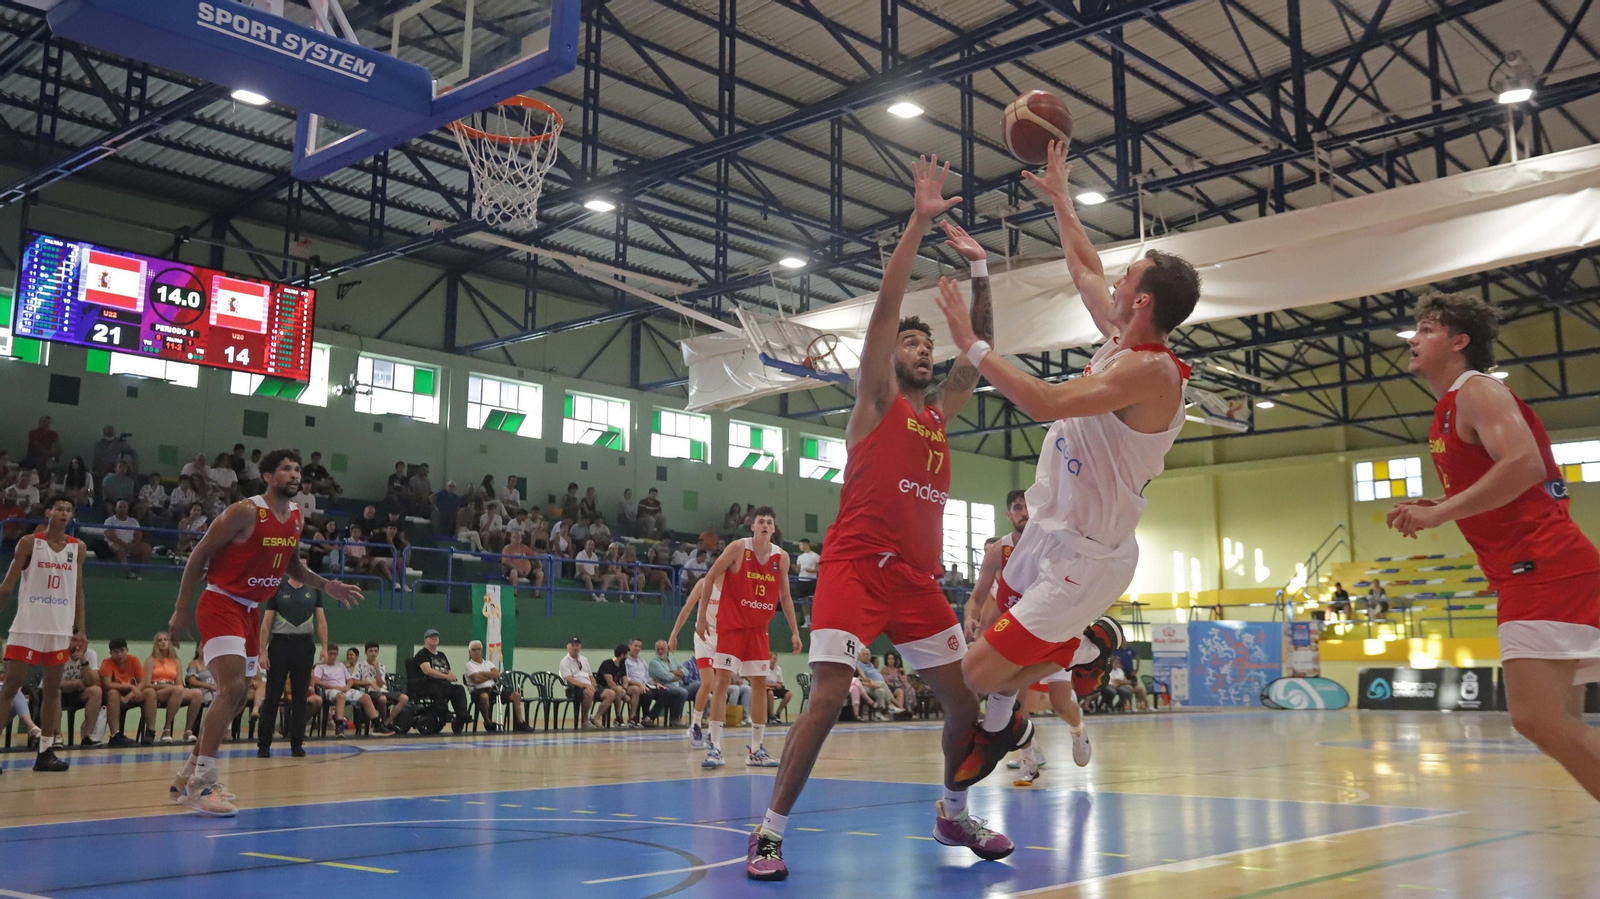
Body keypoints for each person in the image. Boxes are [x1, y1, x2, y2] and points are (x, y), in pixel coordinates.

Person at [749, 156, 1002, 881]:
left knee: (966, 704)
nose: (922, 349)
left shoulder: (937, 416)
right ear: (890, 360)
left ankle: (951, 811)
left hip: (917, 581)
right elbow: (889, 306)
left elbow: (977, 356)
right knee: (828, 696)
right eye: (912, 345)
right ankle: (768, 831)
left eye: (928, 345)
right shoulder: (875, 401)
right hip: (857, 569)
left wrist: (982, 271)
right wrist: (919, 224)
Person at [931, 139, 1198, 788]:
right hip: (1048, 528)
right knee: (992, 647)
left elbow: (1046, 400)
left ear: (1141, 305)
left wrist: (974, 345)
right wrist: (1061, 200)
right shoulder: (1120, 337)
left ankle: (1047, 688)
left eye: (1127, 279)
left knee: (975, 673)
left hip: (1087, 553)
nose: (1113, 282)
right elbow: (1083, 267)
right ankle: (1022, 708)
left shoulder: (1150, 370)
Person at [1388, 290, 1600, 804]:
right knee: (1561, 722)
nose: (1413, 338)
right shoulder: (1449, 408)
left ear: (1459, 342)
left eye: (1427, 330)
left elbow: (1523, 465)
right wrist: (1447, 498)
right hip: (1534, 567)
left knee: (1536, 718)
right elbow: (1506, 477)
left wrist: (1440, 512)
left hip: (1543, 564)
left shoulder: (1477, 391)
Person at [166, 449, 363, 816]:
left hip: (250, 611)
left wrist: (328, 585)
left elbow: (294, 566)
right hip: (221, 601)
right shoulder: (244, 511)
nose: (294, 473)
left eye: (298, 469)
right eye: (286, 469)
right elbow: (199, 555)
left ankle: (188, 774)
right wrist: (180, 609)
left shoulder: (295, 519)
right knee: (234, 688)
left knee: (240, 696)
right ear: (268, 477)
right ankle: (202, 784)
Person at [967, 490, 1093, 782]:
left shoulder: (1054, 541)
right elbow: (978, 594)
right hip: (1021, 633)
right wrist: (970, 617)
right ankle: (1028, 761)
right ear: (1009, 515)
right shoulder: (999, 550)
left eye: (1027, 507)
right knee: (1014, 700)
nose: (1023, 512)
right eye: (1017, 508)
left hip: (1053, 630)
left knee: (1062, 705)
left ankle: (1078, 730)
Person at [696, 507, 801, 770]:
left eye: (769, 522)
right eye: (761, 522)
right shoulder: (737, 549)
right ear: (752, 526)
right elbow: (709, 578)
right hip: (732, 626)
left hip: (758, 630)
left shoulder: (782, 557)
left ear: (773, 529)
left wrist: (795, 630)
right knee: (721, 682)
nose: (765, 525)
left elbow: (785, 597)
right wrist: (700, 618)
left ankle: (756, 749)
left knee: (759, 686)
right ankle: (715, 747)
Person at [0, 492, 84, 772]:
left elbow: (78, 590)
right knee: (10, 687)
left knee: (52, 690)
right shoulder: (29, 543)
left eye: (68, 509)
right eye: (58, 508)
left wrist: (80, 630)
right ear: (48, 513)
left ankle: (46, 752)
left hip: (59, 629)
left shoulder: (78, 548)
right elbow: (8, 584)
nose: (63, 513)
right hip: (28, 625)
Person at [256, 573, 328, 756]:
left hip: (304, 645)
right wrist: (262, 651)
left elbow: (321, 621)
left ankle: (296, 743)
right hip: (280, 644)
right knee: (272, 695)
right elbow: (266, 622)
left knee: (300, 696)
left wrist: (325, 647)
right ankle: (264, 744)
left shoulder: (314, 591)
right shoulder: (278, 589)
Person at [669, 575, 722, 748]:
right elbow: (686, 609)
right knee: (706, 683)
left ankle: (712, 732)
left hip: (723, 638)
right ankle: (696, 725)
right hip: (703, 637)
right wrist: (674, 634)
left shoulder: (734, 585)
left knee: (721, 690)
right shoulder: (704, 583)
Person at [144, 631, 202, 743]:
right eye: (160, 640)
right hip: (158, 690)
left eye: (165, 639)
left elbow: (179, 683)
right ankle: (167, 728)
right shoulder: (151, 660)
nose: (163, 642)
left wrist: (178, 688)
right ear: (156, 644)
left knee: (197, 693)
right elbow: (146, 683)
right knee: (177, 690)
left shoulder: (175, 661)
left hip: (174, 690)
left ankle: (188, 731)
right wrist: (164, 685)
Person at [464, 640, 534, 733]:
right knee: (484, 697)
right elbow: (476, 679)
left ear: (481, 650)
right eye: (474, 650)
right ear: (470, 652)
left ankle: (520, 722)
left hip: (493, 688)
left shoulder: (488, 663)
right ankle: (488, 722)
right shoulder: (469, 665)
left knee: (516, 695)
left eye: (479, 649)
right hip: (478, 690)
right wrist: (490, 675)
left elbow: (497, 674)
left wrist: (482, 674)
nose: (477, 652)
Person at [412, 629, 471, 733]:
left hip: (442, 684)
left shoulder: (441, 655)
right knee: (436, 687)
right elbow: (428, 671)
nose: (435, 639)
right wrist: (445, 677)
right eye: (432, 637)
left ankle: (462, 715)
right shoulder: (422, 654)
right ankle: (444, 713)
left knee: (458, 689)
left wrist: (451, 675)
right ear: (425, 640)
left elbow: (448, 671)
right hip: (426, 684)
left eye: (436, 637)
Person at [99, 637, 148, 747]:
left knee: (150, 692)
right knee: (112, 693)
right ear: (110, 653)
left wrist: (129, 695)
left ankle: (150, 732)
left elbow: (143, 682)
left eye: (122, 651)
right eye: (116, 652)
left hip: (130, 695)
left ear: (127, 650)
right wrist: (131, 687)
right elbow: (107, 684)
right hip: (115, 694)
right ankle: (115, 735)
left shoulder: (134, 660)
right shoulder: (107, 663)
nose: (120, 655)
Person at [352, 642, 406, 732]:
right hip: (368, 690)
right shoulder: (360, 665)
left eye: (376, 651)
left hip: (380, 690)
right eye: (371, 651)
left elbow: (380, 685)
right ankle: (381, 724)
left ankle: (386, 723)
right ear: (366, 652)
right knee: (382, 699)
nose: (373, 653)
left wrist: (377, 670)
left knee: (404, 698)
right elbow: (354, 681)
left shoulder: (381, 666)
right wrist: (368, 682)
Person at [61, 633, 103, 746]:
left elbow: (93, 681)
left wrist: (83, 661)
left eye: (82, 641)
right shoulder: (59, 653)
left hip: (79, 693)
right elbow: (52, 683)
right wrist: (75, 683)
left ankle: (88, 735)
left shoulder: (90, 653)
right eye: (74, 640)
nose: (78, 644)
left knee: (96, 691)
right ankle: (56, 736)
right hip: (59, 693)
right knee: (54, 691)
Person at [559, 637, 608, 729]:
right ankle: (585, 720)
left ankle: (596, 718)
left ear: (580, 647)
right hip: (574, 689)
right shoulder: (565, 661)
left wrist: (595, 685)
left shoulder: (584, 659)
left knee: (610, 693)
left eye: (577, 645)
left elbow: (590, 676)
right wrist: (585, 685)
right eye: (572, 645)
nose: (575, 648)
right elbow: (570, 680)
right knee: (589, 692)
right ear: (568, 647)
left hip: (589, 686)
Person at [102, 499, 152, 578]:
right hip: (115, 543)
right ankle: (129, 573)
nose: (122, 509)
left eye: (125, 507)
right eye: (120, 507)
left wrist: (132, 544)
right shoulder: (110, 520)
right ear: (116, 508)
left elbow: (138, 535)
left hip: (130, 544)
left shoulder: (133, 521)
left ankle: (139, 572)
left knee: (147, 548)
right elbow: (109, 534)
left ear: (128, 509)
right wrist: (123, 544)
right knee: (120, 550)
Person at [596, 643, 639, 727]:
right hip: (605, 688)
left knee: (635, 689)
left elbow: (625, 681)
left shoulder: (622, 665)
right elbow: (610, 682)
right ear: (622, 655)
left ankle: (632, 717)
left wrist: (625, 690)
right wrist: (622, 692)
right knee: (618, 689)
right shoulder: (607, 664)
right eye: (626, 655)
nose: (627, 657)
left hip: (619, 689)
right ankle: (618, 717)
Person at [648, 639, 689, 726]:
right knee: (682, 692)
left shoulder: (673, 659)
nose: (660, 651)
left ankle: (702, 719)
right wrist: (678, 674)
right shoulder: (654, 662)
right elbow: (666, 677)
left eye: (662, 649)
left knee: (698, 686)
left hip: (679, 684)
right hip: (665, 686)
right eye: (658, 649)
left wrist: (673, 672)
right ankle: (675, 719)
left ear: (667, 649)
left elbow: (686, 671)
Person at [766, 653, 792, 723]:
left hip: (776, 688)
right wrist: (773, 684)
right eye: (771, 658)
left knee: (788, 694)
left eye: (775, 659)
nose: (773, 661)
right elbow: (762, 683)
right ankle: (770, 715)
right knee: (770, 693)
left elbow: (780, 684)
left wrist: (777, 685)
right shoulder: (764, 668)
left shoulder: (778, 669)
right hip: (766, 689)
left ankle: (777, 713)